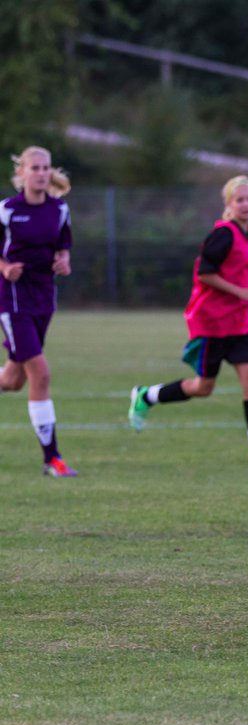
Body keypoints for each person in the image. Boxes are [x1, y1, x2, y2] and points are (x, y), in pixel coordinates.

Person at [127, 175, 248, 464]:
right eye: (239, 200)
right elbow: (205, 273)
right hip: (212, 322)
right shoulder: (223, 233)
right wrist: (240, 289)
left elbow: (235, 269)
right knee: (203, 387)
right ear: (228, 204)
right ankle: (146, 396)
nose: (245, 204)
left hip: (239, 323)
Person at [0, 146, 77, 477]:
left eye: (46, 168)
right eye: (35, 168)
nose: (41, 173)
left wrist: (63, 262)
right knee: (40, 374)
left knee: (14, 380)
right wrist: (3, 268)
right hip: (12, 300)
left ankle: (52, 458)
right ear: (22, 173)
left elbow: (63, 248)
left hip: (43, 299)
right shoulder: (6, 210)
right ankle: (53, 459)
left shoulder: (59, 210)